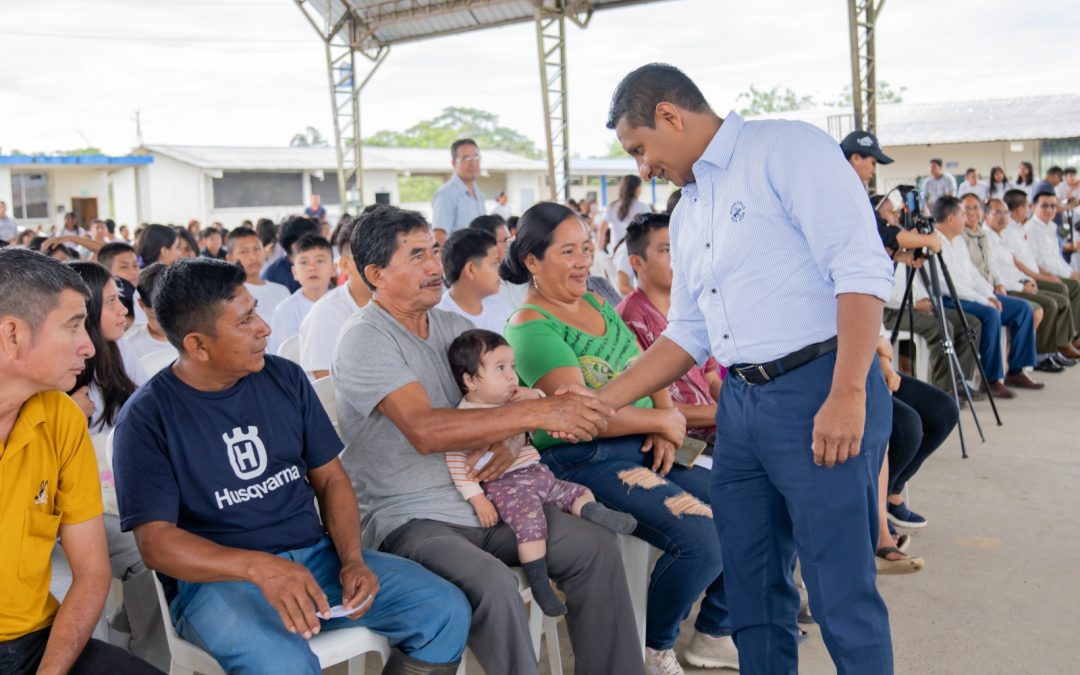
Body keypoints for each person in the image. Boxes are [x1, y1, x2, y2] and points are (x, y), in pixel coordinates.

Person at [599, 63, 894, 673]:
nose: (640, 168)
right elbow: (689, 331)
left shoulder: (784, 149)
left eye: (639, 148)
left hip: (820, 386)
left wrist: (846, 394)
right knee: (755, 588)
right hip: (742, 405)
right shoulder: (687, 212)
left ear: (670, 117)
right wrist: (604, 401)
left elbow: (861, 272)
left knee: (839, 591)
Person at [111, 258, 470, 675]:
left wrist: (352, 558)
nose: (264, 327)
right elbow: (156, 544)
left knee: (444, 611)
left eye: (256, 311)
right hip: (219, 581)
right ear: (197, 345)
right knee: (284, 665)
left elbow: (332, 478)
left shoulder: (284, 377)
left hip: (317, 558)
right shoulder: (146, 419)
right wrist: (259, 567)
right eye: (245, 321)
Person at [332, 205, 645, 675]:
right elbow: (425, 430)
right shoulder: (365, 339)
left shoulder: (457, 330)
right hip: (410, 516)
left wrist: (514, 437)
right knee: (495, 585)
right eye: (416, 256)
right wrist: (538, 411)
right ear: (376, 274)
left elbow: (504, 409)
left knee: (595, 546)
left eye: (435, 252)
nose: (436, 267)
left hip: (494, 499)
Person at [501, 202, 733, 673]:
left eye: (586, 248)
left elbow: (646, 369)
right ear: (532, 261)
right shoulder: (530, 328)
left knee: (750, 506)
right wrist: (657, 423)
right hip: (584, 457)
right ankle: (652, 645)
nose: (584, 260)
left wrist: (667, 420)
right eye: (568, 251)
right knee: (704, 536)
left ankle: (713, 631)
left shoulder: (594, 302)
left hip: (648, 442)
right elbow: (582, 415)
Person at [0, 248, 161, 675]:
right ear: (12, 335)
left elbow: (92, 572)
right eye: (73, 326)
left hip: (38, 643)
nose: (89, 346)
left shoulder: (61, 417)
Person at [445, 329, 638, 617]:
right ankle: (540, 582)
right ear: (470, 380)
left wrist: (531, 393)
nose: (512, 375)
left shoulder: (514, 399)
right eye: (500, 368)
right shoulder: (466, 418)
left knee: (576, 491)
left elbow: (541, 401)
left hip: (538, 472)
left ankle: (594, 512)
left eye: (512, 366)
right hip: (507, 486)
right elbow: (457, 463)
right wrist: (477, 500)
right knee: (530, 525)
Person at [616, 212, 722, 444]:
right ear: (636, 262)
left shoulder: (690, 307)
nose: (677, 259)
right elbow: (647, 403)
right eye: (665, 250)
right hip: (684, 438)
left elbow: (712, 380)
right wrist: (725, 413)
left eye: (679, 248)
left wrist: (737, 410)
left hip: (716, 427)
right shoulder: (630, 319)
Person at [932, 196, 1041, 395]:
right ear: (950, 219)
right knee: (991, 314)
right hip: (950, 299)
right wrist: (984, 300)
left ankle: (1016, 370)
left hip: (973, 295)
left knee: (1022, 309)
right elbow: (948, 285)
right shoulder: (934, 242)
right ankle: (990, 379)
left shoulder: (957, 241)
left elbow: (973, 274)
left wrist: (990, 295)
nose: (967, 217)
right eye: (963, 213)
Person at [962, 194, 1077, 368]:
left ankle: (1043, 354)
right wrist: (1019, 286)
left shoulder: (988, 235)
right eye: (997, 213)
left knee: (1057, 297)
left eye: (1005, 213)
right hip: (991, 290)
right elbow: (974, 275)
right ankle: (1031, 360)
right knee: (1042, 306)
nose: (1003, 217)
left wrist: (1023, 281)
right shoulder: (978, 236)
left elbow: (1000, 267)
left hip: (1005, 285)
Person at [299, 215, 372, 379]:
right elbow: (326, 390)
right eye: (370, 258)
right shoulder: (326, 315)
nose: (381, 266)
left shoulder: (402, 304)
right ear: (346, 265)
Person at [436, 229, 514, 335]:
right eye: (495, 263)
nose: (499, 270)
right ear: (471, 270)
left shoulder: (505, 312)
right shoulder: (438, 323)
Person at [269, 234, 334, 356]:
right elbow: (279, 355)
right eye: (304, 262)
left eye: (320, 261)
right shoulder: (284, 310)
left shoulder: (342, 303)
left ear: (333, 269)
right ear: (294, 272)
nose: (312, 268)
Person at [227, 227, 291, 325]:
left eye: (256, 249)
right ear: (230, 258)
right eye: (244, 252)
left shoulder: (282, 291)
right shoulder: (229, 295)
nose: (252, 257)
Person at [468, 214, 528, 309]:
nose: (509, 245)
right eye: (504, 240)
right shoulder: (479, 289)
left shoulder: (509, 277)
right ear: (486, 245)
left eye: (509, 240)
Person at [121, 263, 177, 362]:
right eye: (156, 316)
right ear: (141, 304)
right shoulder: (128, 347)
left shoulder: (195, 338)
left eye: (171, 313)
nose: (164, 323)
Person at [432, 139, 486, 236]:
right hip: (459, 251)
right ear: (453, 163)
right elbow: (439, 234)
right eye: (466, 158)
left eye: (476, 157)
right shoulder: (446, 194)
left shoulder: (478, 193)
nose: (473, 163)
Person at [262, 217, 320, 293]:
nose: (318, 245)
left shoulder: (320, 266)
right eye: (312, 241)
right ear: (295, 247)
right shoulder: (272, 277)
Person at [599, 175, 651, 256]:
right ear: (637, 189)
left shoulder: (612, 206)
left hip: (616, 252)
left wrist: (599, 252)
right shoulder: (643, 207)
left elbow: (602, 230)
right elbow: (649, 232)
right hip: (637, 252)